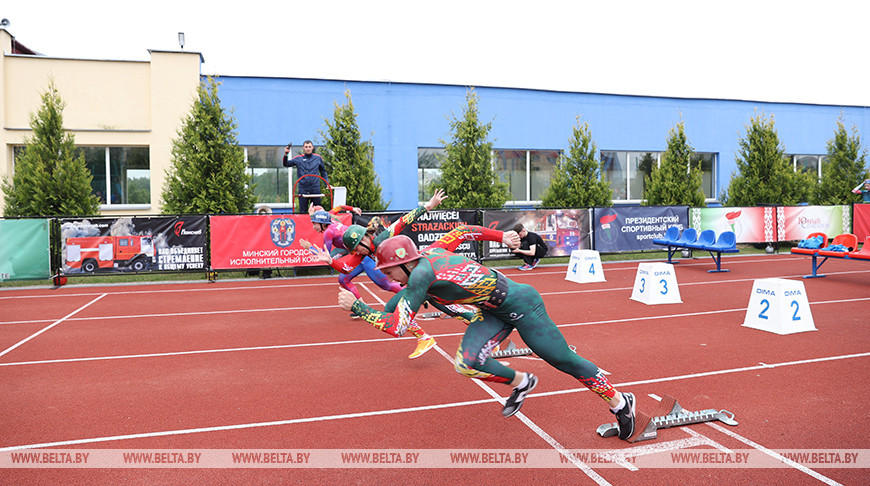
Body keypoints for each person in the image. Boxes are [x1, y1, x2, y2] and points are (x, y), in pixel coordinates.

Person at [338, 226, 638, 441]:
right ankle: (522, 381)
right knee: (465, 363)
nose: (389, 278)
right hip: (491, 311)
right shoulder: (430, 252)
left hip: (522, 304)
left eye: (389, 272)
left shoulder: (420, 276)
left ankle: (621, 403)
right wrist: (498, 235)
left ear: (403, 264)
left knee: (564, 361)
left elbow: (398, 326)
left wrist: (360, 308)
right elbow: (464, 231)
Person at [306, 189, 448, 359]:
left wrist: (427, 206)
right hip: (412, 279)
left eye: (357, 246)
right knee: (391, 305)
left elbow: (402, 222)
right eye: (353, 249)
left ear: (365, 238)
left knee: (447, 301)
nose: (355, 251)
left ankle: (462, 321)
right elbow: (346, 269)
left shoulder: (379, 239)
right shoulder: (360, 253)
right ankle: (424, 335)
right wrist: (331, 261)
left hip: (423, 271)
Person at [283, 140, 329, 213]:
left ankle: (317, 224)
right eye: (306, 147)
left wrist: (327, 184)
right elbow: (286, 164)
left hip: (315, 187)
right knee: (303, 211)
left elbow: (323, 172)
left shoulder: (318, 158)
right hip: (303, 188)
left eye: (309, 147)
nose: (308, 148)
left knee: (317, 210)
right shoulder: (298, 159)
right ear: (303, 148)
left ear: (312, 148)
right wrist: (286, 154)